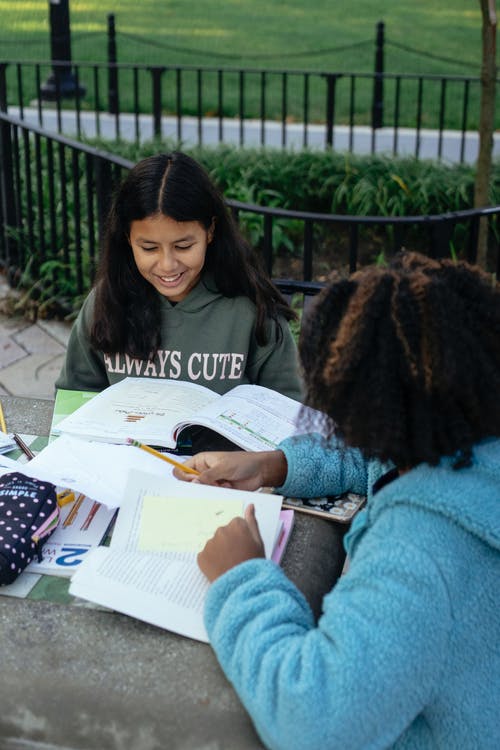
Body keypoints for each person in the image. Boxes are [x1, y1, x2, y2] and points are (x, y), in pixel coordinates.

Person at [174, 251, 500, 749]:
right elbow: (376, 459)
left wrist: (241, 580)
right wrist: (272, 464)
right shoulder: (462, 436)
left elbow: (313, 719)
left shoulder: (418, 554)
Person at [56, 151, 301, 403]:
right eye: (149, 248)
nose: (167, 265)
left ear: (210, 231)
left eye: (183, 246)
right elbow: (74, 394)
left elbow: (290, 409)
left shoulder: (251, 310)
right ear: (128, 239)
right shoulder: (106, 301)